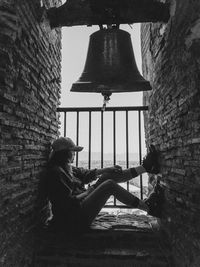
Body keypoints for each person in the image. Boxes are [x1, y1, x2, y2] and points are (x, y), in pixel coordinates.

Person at [45, 136, 163, 232]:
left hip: (82, 205)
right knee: (109, 185)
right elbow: (66, 203)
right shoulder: (56, 173)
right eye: (73, 151)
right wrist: (87, 192)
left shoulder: (68, 168)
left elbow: (86, 174)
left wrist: (107, 169)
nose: (75, 154)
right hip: (74, 219)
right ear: (64, 153)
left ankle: (146, 167)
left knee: (107, 176)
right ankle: (149, 208)